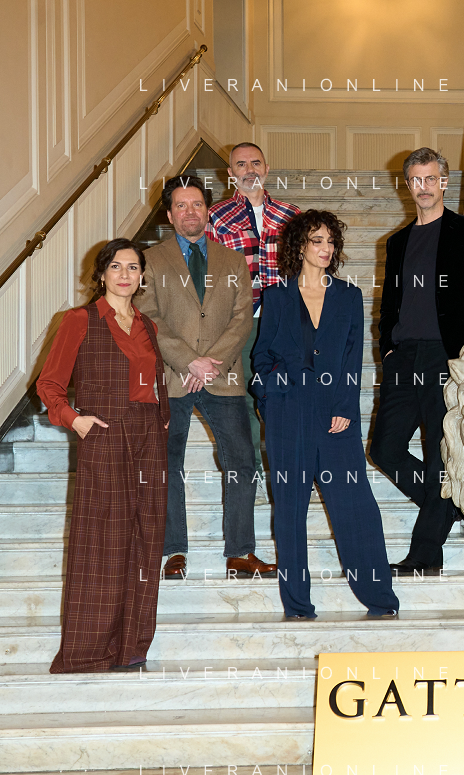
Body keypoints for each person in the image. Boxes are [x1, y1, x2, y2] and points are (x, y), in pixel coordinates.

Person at [371, 147, 464, 573]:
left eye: (431, 179)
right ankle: (448, 504)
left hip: (446, 356)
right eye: (416, 179)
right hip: (403, 358)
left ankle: (425, 553)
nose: (424, 187)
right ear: (407, 184)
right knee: (385, 449)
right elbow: (389, 305)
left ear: (444, 182)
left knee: (439, 455)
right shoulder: (396, 242)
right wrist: (388, 349)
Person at [252, 209, 399, 619]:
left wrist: (345, 407)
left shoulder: (348, 296)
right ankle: (297, 605)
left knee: (356, 506)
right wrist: (271, 397)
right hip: (288, 414)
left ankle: (380, 599)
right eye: (317, 241)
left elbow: (353, 359)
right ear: (300, 246)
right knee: (290, 510)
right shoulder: (276, 296)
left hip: (336, 416)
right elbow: (261, 357)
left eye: (331, 241)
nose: (326, 248)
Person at [36, 239, 169, 672]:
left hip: (148, 437)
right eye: (116, 266)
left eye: (133, 267)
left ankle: (131, 646)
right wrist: (74, 420)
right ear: (101, 274)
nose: (124, 275)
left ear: (142, 276)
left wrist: (161, 421)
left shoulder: (147, 325)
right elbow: (49, 384)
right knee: (102, 541)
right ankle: (89, 651)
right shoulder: (79, 320)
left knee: (146, 539)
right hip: (105, 435)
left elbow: (153, 384)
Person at [138, 174, 276, 580]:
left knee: (242, 461)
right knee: (167, 463)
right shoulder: (150, 259)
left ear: (208, 210)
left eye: (197, 204)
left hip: (223, 375)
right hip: (171, 377)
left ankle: (241, 552)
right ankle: (173, 551)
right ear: (169, 215)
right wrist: (189, 361)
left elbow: (242, 317)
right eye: (180, 205)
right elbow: (148, 316)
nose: (190, 212)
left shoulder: (232, 260)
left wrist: (211, 362)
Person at [208, 142, 300, 475]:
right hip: (238, 323)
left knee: (282, 397)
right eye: (242, 164)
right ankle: (250, 473)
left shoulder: (291, 215)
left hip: (283, 323)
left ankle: (287, 471)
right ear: (230, 173)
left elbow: (306, 270)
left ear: (267, 168)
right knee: (240, 400)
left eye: (256, 163)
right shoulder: (216, 217)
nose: (250, 170)